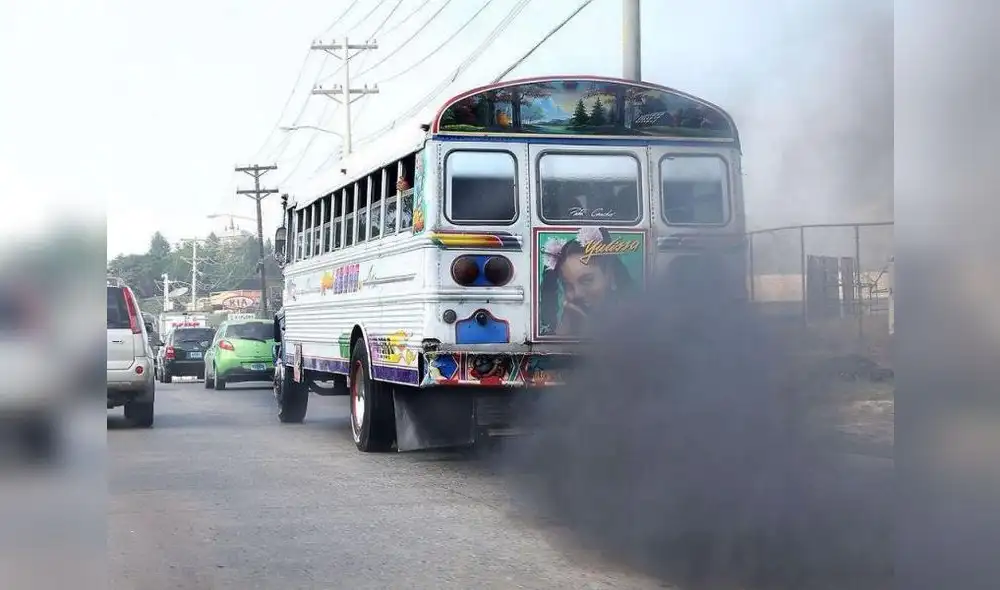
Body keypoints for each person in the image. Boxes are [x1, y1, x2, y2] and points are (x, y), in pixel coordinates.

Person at [538, 227, 636, 336]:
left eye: (587, 281)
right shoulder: (565, 325)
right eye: (568, 285)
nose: (577, 293)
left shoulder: (635, 323)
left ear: (610, 275)